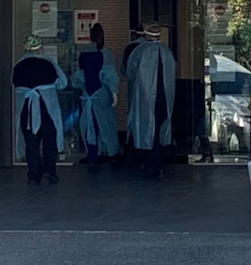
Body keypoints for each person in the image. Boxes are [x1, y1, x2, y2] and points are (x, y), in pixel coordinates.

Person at [12, 34, 67, 184]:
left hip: (26, 107)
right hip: (47, 106)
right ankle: (50, 170)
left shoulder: (18, 65)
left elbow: (14, 84)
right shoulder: (48, 62)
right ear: (40, 48)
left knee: (31, 140)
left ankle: (33, 174)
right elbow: (63, 82)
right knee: (50, 138)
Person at [125, 21, 176, 179]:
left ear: (146, 34)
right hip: (165, 98)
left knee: (147, 131)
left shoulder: (139, 50)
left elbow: (130, 71)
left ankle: (151, 165)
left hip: (145, 97)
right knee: (159, 129)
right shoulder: (167, 52)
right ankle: (156, 163)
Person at [73, 23, 119, 169]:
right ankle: (112, 153)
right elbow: (110, 75)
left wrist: (82, 88)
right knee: (107, 124)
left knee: (89, 124)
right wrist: (114, 92)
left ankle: (92, 154)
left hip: (87, 95)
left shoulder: (83, 54)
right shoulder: (106, 54)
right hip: (102, 93)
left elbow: (78, 77)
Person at [120, 24, 145, 163]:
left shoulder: (130, 48)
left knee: (131, 117)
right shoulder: (152, 48)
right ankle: (145, 149)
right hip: (150, 90)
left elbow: (124, 69)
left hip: (132, 86)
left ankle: (131, 147)